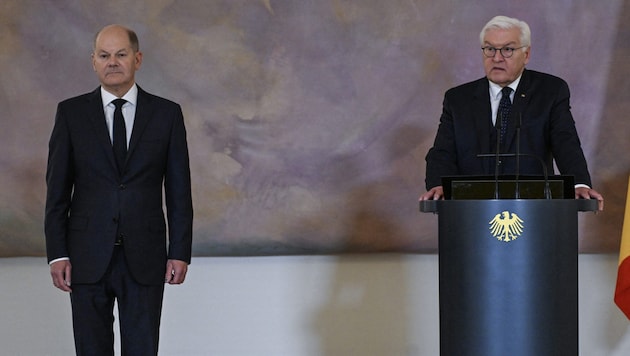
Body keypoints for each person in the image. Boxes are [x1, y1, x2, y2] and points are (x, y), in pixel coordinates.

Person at [45, 24, 193, 355]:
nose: (112, 62)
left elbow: (179, 190)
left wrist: (179, 250)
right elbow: (56, 191)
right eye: (104, 55)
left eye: (121, 54)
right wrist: (58, 252)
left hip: (146, 255)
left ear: (137, 59)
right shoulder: (71, 114)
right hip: (85, 256)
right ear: (94, 61)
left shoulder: (166, 114)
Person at [419, 15, 604, 210]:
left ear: (526, 54)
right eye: (490, 49)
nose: (497, 58)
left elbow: (566, 143)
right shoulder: (458, 99)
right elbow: (442, 152)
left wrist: (579, 184)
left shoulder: (550, 91)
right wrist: (437, 184)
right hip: (471, 210)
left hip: (535, 208)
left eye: (507, 49)